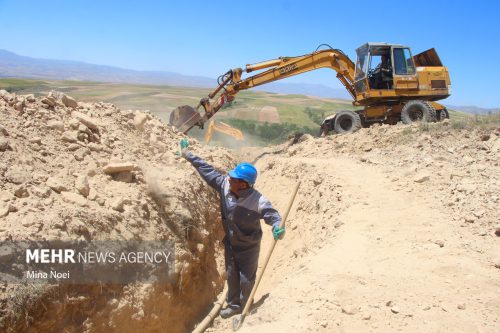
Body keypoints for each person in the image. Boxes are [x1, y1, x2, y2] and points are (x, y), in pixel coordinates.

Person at [179, 139, 285, 319]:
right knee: (231, 275)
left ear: (244, 184)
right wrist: (189, 155)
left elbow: (273, 216)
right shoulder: (225, 186)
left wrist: (277, 226)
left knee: (246, 278)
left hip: (249, 246)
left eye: (234, 178)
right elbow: (208, 171)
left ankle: (245, 306)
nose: (229, 178)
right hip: (230, 242)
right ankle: (234, 304)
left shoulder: (258, 202)